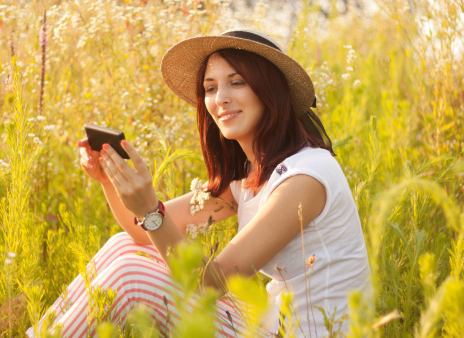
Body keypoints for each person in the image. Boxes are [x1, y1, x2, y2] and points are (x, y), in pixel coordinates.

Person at [28, 29, 371, 337]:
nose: (220, 98)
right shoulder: (251, 177)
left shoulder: (305, 177)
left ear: (271, 91)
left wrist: (150, 208)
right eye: (210, 87)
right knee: (125, 247)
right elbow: (140, 233)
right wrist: (107, 179)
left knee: (131, 273)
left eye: (237, 82)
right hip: (270, 323)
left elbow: (212, 283)